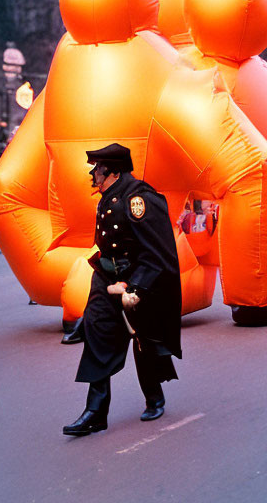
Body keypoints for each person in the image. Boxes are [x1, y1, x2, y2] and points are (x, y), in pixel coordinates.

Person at [63, 143, 182, 437]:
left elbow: (157, 250)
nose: (93, 174)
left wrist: (136, 288)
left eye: (98, 169)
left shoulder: (139, 199)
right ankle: (95, 412)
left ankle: (154, 396)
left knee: (144, 342)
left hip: (136, 280)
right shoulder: (107, 196)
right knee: (98, 336)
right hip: (106, 278)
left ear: (112, 172)